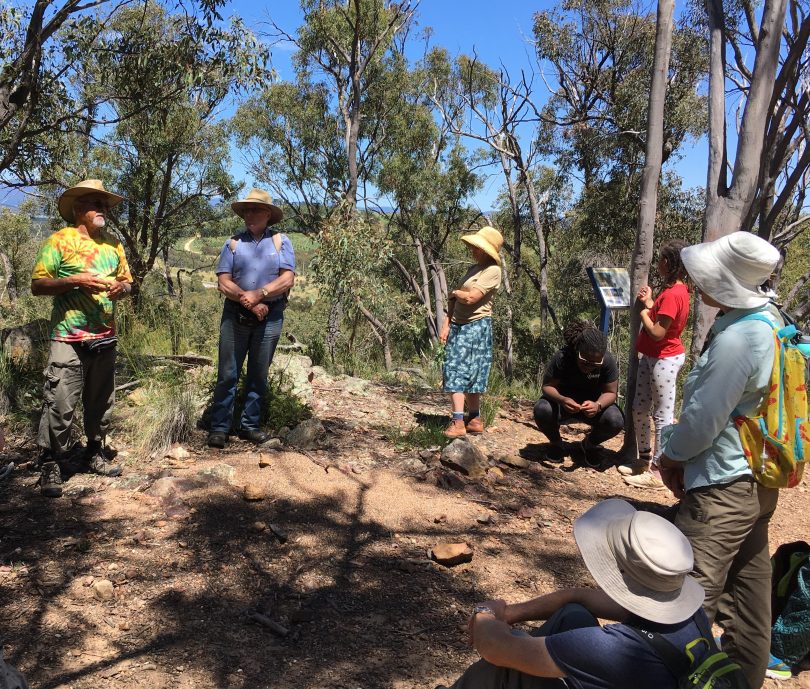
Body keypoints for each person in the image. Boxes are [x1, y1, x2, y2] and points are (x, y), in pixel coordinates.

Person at [659, 230, 783, 689]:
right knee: (751, 598)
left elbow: (701, 423)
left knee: (688, 598)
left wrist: (670, 457)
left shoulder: (739, 340)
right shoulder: (772, 322)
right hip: (757, 481)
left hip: (722, 487)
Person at [438, 498, 710, 689]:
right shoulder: (692, 617)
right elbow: (579, 597)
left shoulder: (612, 649)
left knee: (508, 666)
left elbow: (497, 649)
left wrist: (485, 611)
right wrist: (510, 612)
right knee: (573, 615)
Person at [31, 179, 133, 497]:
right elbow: (38, 284)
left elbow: (128, 282)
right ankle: (50, 462)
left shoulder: (113, 244)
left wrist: (123, 288)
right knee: (60, 401)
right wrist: (75, 279)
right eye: (95, 203)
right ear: (78, 209)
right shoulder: (60, 241)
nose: (102, 208)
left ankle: (94, 452)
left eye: (104, 204)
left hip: (105, 336)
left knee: (100, 402)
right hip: (68, 337)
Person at [207, 188, 295, 448]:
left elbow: (287, 278)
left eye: (256, 209)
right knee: (227, 372)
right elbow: (224, 282)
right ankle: (219, 427)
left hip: (271, 316)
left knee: (258, 373)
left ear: (268, 214)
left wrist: (261, 293)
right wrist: (250, 300)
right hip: (236, 314)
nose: (250, 214)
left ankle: (249, 425)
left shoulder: (281, 241)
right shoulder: (233, 243)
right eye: (247, 210)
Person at [622, 240, 690, 488]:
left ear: (670, 263)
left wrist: (640, 311)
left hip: (665, 358)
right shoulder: (671, 290)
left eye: (662, 259)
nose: (658, 263)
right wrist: (650, 302)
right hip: (652, 357)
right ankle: (645, 459)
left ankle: (658, 471)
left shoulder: (674, 294)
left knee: (662, 415)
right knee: (639, 408)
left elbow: (658, 332)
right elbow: (661, 316)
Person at [440, 226, 503, 438]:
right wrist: (446, 324)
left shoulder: (493, 271)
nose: (473, 250)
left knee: (466, 371)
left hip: (475, 327)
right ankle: (474, 419)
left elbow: (470, 298)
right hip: (458, 326)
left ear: (487, 250)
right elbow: (454, 301)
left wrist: (456, 292)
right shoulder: (474, 269)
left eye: (477, 247)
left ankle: (459, 421)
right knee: (457, 369)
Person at [533, 321, 623, 465]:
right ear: (577, 351)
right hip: (563, 404)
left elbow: (611, 392)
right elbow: (547, 386)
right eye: (585, 361)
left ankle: (589, 445)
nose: (590, 366)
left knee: (616, 420)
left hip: (592, 406)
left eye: (595, 364)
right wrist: (562, 399)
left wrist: (598, 405)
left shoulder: (608, 361)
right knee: (542, 409)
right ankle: (556, 444)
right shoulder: (562, 358)